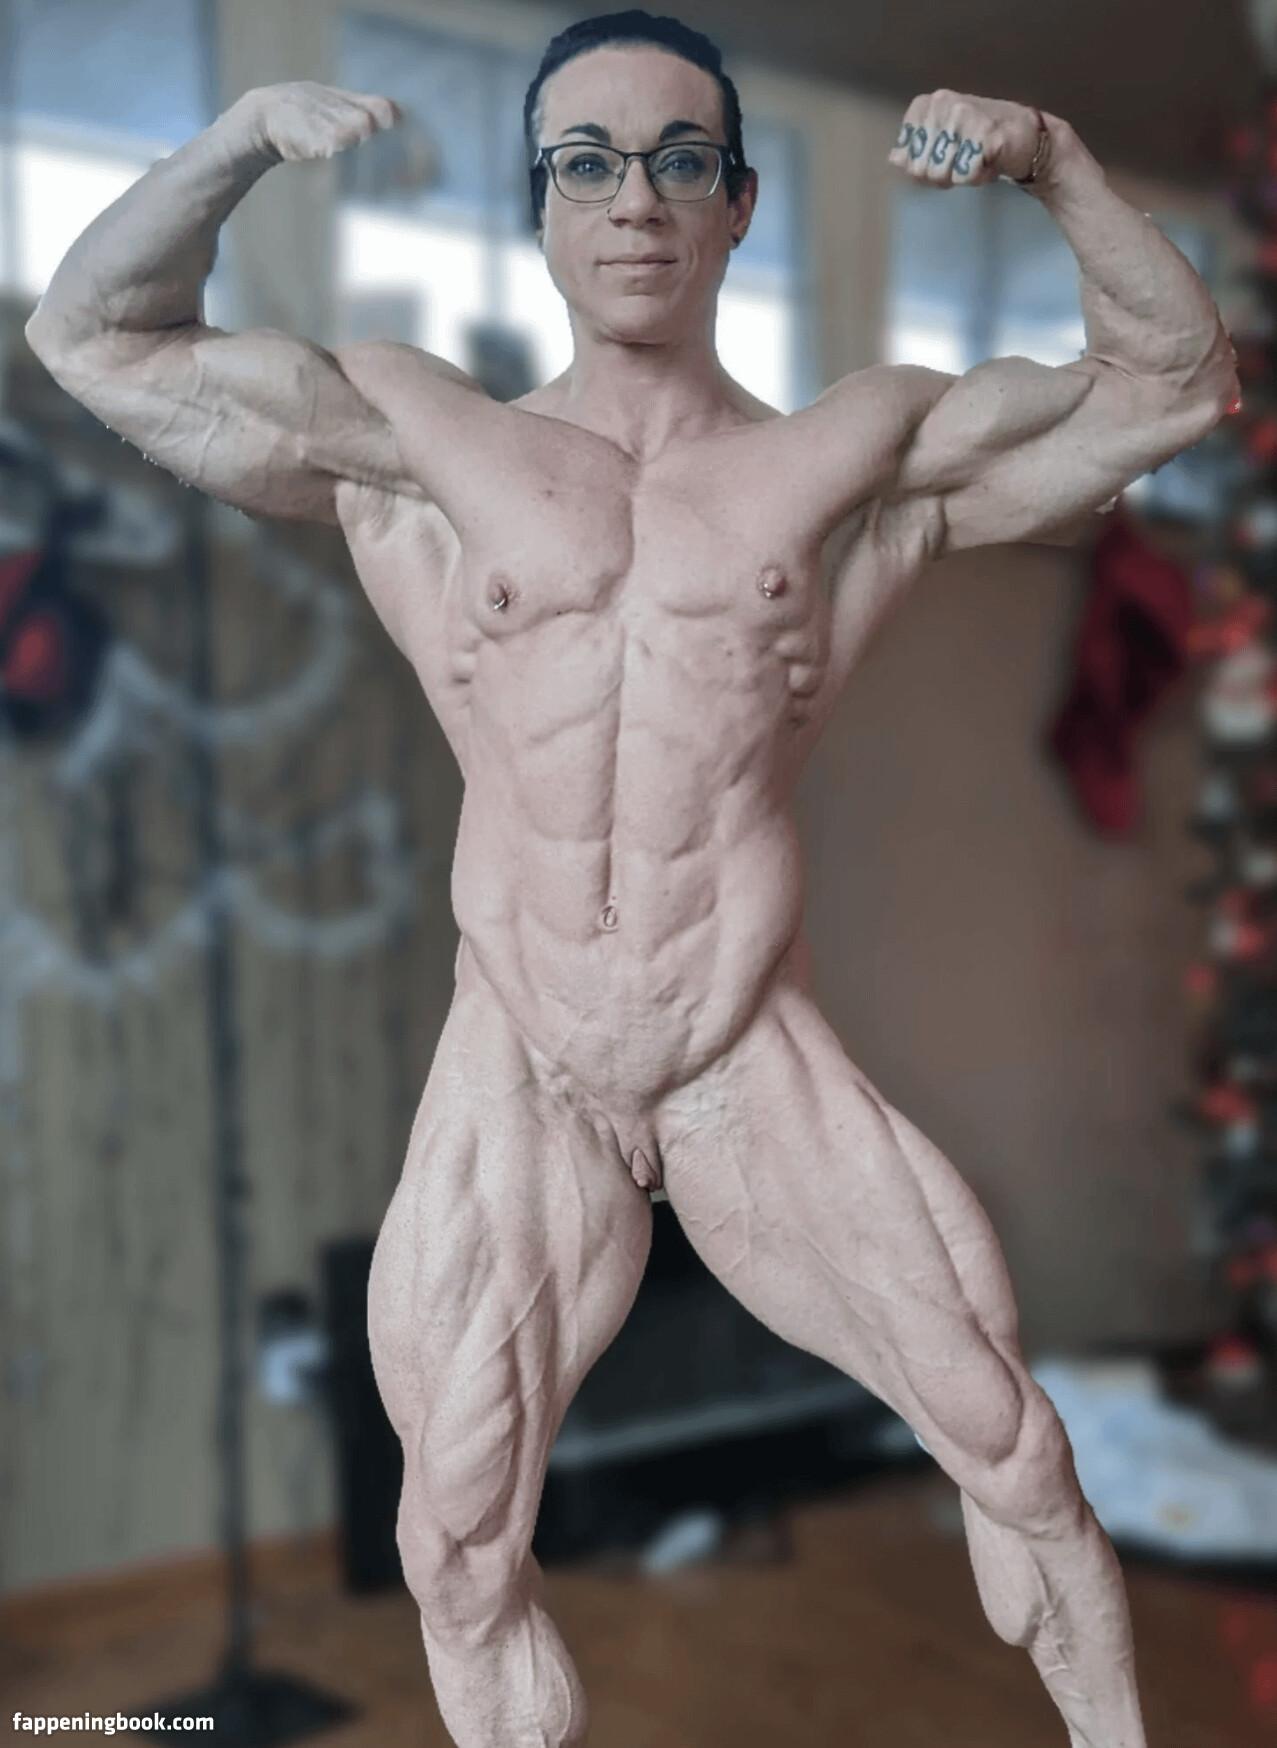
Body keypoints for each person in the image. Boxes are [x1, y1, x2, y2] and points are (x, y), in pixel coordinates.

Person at [25, 10, 1234, 1746]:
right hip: (521, 1051)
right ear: (539, 202)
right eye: (586, 164)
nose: (634, 202)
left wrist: (1049, 161)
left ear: (739, 203)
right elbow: (92, 333)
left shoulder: (856, 457)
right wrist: (231, 146)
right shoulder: (413, 437)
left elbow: (1172, 383)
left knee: (1015, 1453)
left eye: (680, 162)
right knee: (454, 1547)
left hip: (740, 1043)